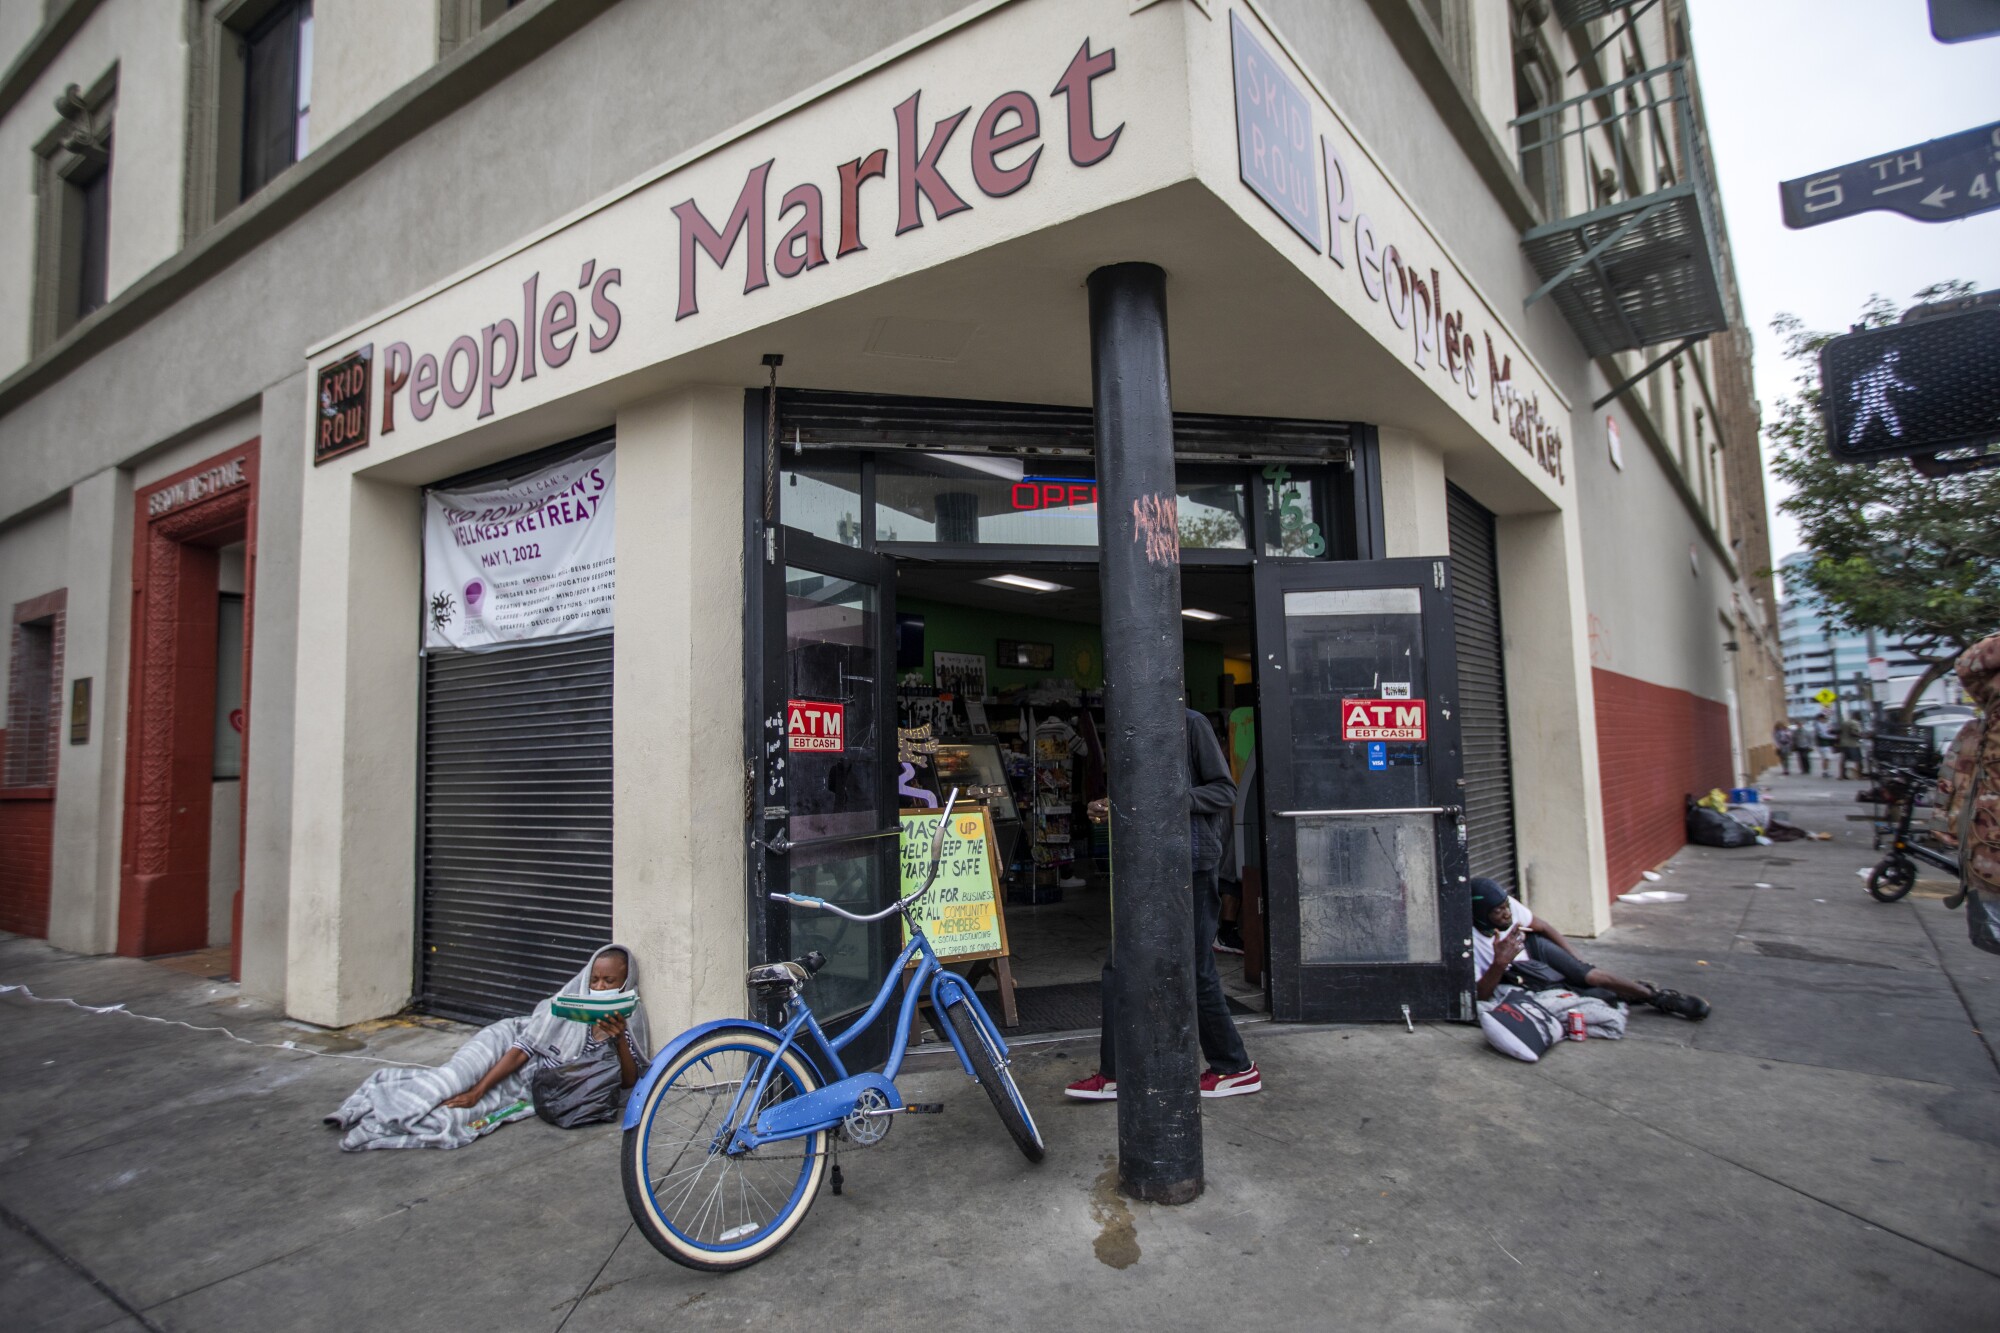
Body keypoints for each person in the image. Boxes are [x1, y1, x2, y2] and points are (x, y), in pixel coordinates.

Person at [1066, 708, 1260, 1101]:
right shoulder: (1128, 728)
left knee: (1196, 969)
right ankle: (1116, 1073)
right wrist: (1106, 807)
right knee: (1119, 967)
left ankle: (1236, 1067)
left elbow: (1225, 790)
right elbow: (1137, 800)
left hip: (1191, 867)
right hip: (1143, 867)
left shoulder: (1191, 723)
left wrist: (1171, 800)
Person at [326, 944, 651, 1150]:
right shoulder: (564, 1002)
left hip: (534, 1079)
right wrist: (478, 1090)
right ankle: (382, 1103)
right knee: (455, 1081)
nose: (599, 987)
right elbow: (521, 1049)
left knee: (458, 1117)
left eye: (610, 982)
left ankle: (385, 1121)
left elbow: (628, 1082)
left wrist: (619, 1037)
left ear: (626, 983)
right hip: (509, 1042)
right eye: (595, 979)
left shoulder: (629, 1017)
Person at [1470, 879, 1709, 1019]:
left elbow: (1544, 927)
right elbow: (1481, 995)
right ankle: (1626, 993)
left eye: (1506, 906)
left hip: (1533, 948)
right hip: (1515, 971)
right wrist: (1500, 963)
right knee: (1585, 995)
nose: (1507, 913)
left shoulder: (1508, 906)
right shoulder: (1468, 941)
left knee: (1591, 976)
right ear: (1481, 913)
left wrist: (1577, 961)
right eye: (1498, 911)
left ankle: (1659, 997)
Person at [1838, 713, 1866, 781]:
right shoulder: (1855, 723)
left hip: (1843, 743)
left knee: (1843, 760)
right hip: (1853, 744)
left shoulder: (1845, 722)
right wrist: (1861, 735)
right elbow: (1853, 732)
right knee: (1857, 760)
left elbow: (1840, 731)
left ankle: (1842, 775)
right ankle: (1859, 776)